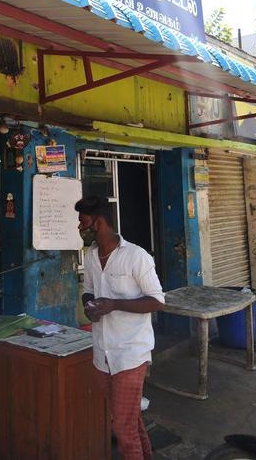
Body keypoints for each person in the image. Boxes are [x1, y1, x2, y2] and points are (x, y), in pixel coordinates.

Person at [77, 195, 164, 460]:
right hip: (102, 354)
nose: (79, 228)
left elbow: (157, 301)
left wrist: (114, 304)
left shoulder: (136, 256)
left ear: (98, 223)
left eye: (83, 222)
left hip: (130, 354)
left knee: (123, 430)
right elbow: (88, 290)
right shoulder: (91, 256)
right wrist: (90, 306)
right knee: (130, 420)